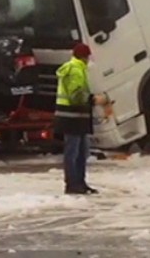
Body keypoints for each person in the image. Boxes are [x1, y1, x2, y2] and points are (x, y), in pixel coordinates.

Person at [54, 42, 101, 195]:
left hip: (75, 118)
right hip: (72, 117)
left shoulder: (77, 68)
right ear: (84, 57)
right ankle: (73, 184)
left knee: (81, 152)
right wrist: (93, 100)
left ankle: (79, 183)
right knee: (74, 152)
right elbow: (76, 95)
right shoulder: (75, 70)